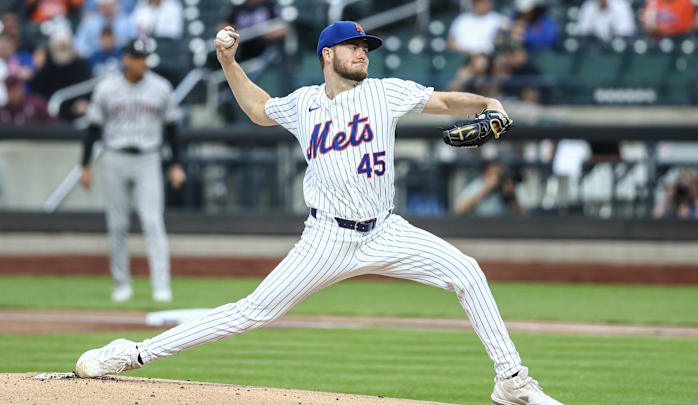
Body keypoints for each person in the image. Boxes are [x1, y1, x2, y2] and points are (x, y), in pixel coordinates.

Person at [74, 22, 563, 405]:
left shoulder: (384, 92)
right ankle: (131, 354)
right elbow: (259, 109)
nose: (363, 53)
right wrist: (228, 61)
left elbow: (441, 100)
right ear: (328, 55)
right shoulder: (305, 103)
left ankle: (512, 382)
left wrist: (487, 100)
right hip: (326, 238)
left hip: (386, 230)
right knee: (250, 312)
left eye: (366, 47)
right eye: (353, 47)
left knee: (468, 273)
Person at [78, 39, 186, 302]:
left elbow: (172, 128)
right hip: (114, 156)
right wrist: (84, 165)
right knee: (117, 226)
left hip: (148, 158)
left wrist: (176, 163)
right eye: (137, 57)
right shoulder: (107, 88)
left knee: (153, 222)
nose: (142, 62)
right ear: (125, 59)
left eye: (145, 57)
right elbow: (93, 129)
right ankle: (121, 284)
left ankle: (162, 285)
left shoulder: (160, 87)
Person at [29, 30, 92, 121]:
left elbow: (88, 89)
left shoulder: (81, 67)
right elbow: (38, 93)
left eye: (65, 47)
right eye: (59, 47)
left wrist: (85, 102)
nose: (62, 50)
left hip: (76, 115)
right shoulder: (47, 68)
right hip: (50, 117)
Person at [455, 161, 523, 216]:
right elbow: (460, 210)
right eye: (494, 174)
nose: (497, 178)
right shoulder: (477, 185)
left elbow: (523, 214)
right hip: (479, 225)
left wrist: (512, 197)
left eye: (499, 175)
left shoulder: (505, 186)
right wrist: (486, 189)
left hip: (503, 226)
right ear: (485, 174)